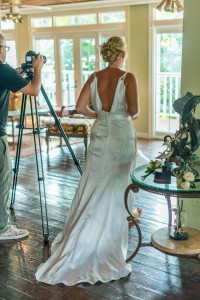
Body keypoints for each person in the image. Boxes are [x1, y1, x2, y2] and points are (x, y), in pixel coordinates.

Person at [35, 36, 141, 286]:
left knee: (93, 181)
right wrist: (120, 114)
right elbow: (134, 111)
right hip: (121, 134)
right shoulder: (128, 77)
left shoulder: (94, 77)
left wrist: (101, 114)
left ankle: (82, 235)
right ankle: (107, 240)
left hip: (101, 131)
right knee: (116, 184)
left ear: (107, 55)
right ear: (122, 54)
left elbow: (81, 107)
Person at [0, 33, 44, 240]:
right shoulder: (2, 69)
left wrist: (18, 72)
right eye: (5, 48)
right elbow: (34, 90)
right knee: (3, 180)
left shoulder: (6, 72)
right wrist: (39, 70)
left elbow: (6, 78)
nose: (5, 52)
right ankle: (2, 228)